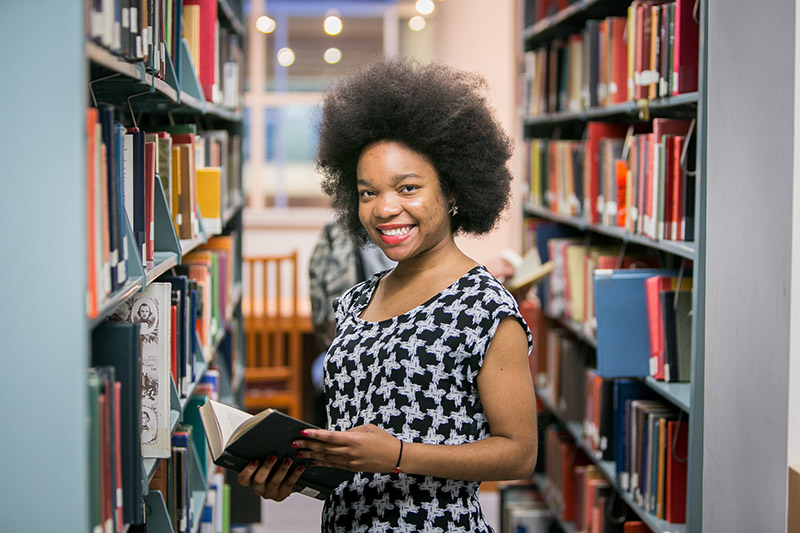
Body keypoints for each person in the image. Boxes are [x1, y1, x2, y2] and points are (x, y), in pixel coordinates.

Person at [238, 57, 538, 532]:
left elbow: (519, 455)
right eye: (367, 192)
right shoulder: (355, 301)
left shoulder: (485, 308)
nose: (385, 209)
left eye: (408, 187)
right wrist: (297, 474)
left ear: (454, 190)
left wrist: (397, 456)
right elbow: (353, 451)